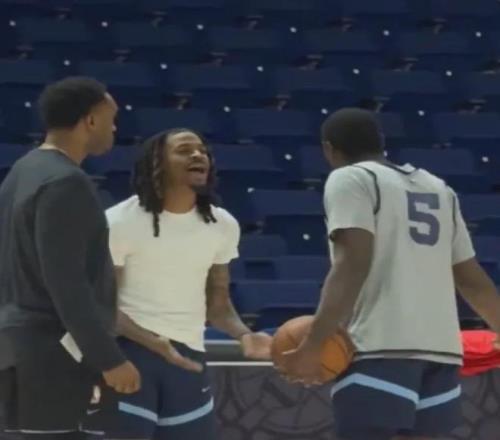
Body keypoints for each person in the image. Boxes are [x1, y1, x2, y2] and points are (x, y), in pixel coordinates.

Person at [280, 108, 500, 440]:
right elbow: (471, 277)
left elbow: (352, 263)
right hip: (441, 354)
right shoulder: (438, 187)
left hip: (381, 346)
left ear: (328, 149)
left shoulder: (350, 178)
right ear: (381, 142)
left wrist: (315, 342)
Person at [85, 128, 273, 440]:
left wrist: (244, 334)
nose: (198, 155)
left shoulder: (222, 224)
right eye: (185, 150)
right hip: (129, 355)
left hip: (188, 359)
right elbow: (103, 306)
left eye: (202, 151)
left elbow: (218, 305)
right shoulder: (119, 221)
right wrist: (153, 343)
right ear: (157, 163)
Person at [0, 77, 140, 440]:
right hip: (53, 357)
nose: (114, 128)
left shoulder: (20, 173)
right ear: (90, 120)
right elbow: (67, 283)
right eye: (111, 119)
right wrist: (108, 358)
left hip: (14, 349)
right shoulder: (67, 181)